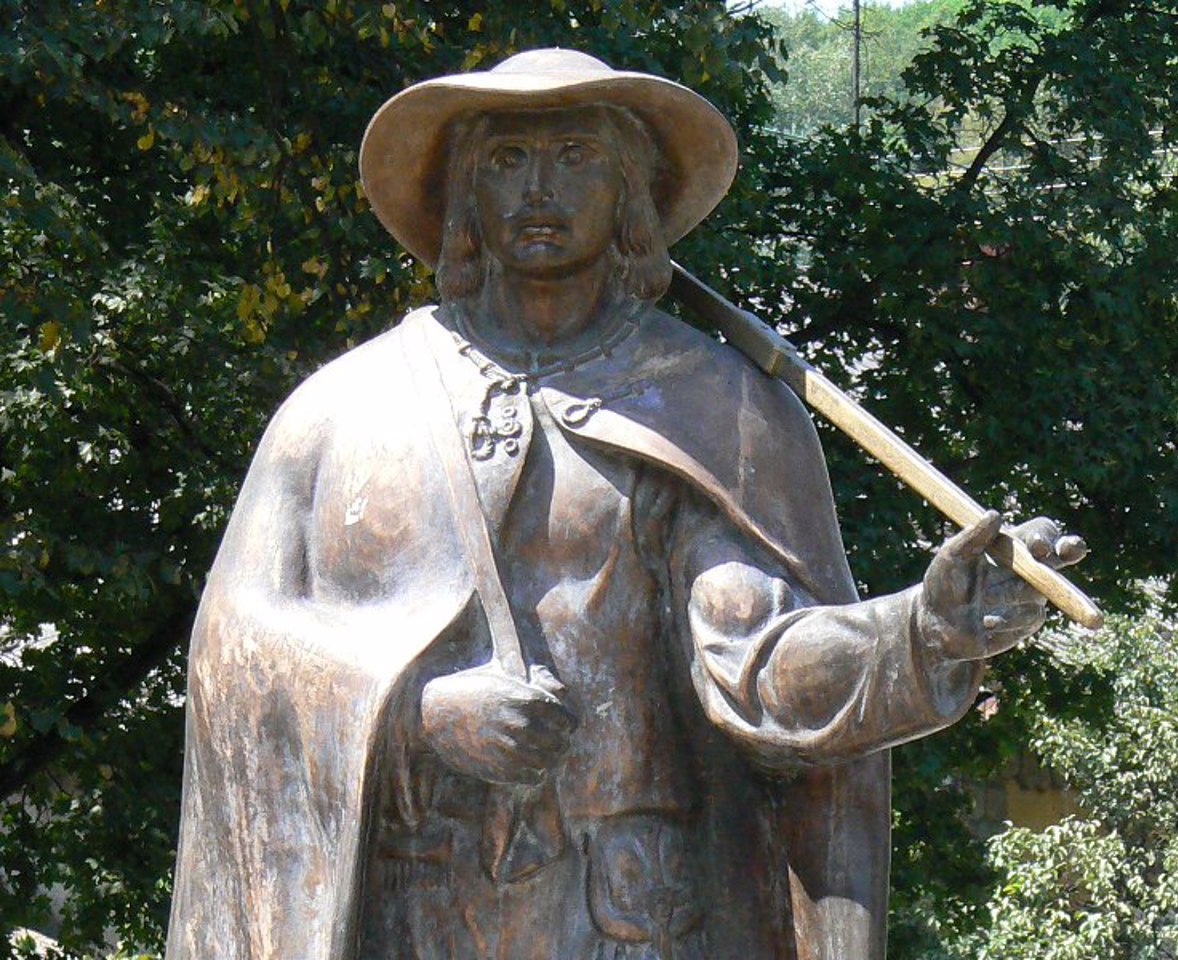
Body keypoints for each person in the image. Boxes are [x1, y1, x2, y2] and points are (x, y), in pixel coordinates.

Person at [165, 49, 1085, 960]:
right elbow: (236, 648)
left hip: (632, 915)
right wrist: (417, 711)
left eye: (576, 156)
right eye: (507, 160)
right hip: (414, 913)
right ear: (465, 194)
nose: (539, 189)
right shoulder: (343, 411)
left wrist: (925, 632)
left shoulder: (710, 404)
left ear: (630, 192)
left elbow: (759, 668)